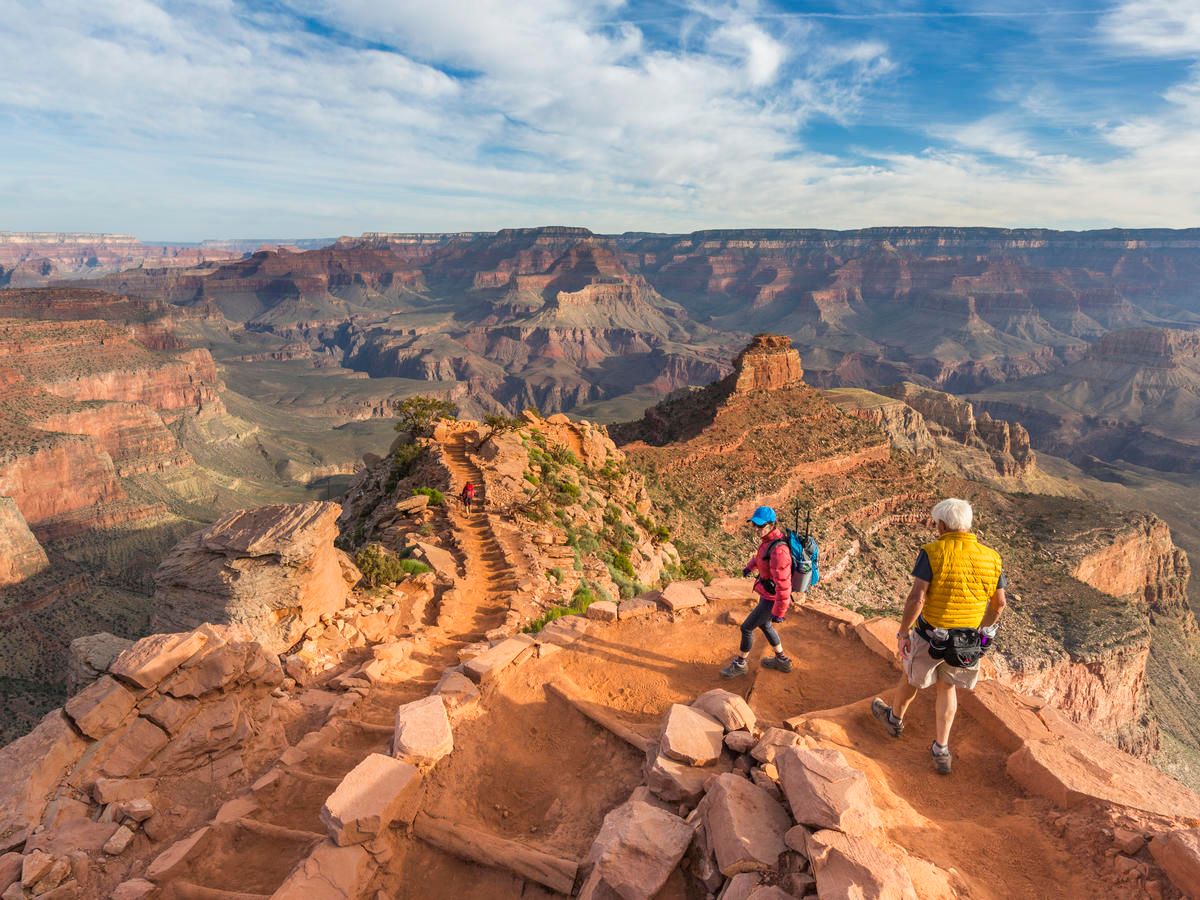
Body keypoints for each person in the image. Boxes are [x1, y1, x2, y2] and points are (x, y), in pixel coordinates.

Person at [871, 498, 1007, 775]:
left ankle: (894, 719)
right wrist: (981, 632)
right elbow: (999, 604)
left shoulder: (932, 551)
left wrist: (903, 632)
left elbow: (917, 597)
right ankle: (941, 749)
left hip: (932, 635)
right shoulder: (992, 558)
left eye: (936, 524)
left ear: (942, 525)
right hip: (967, 641)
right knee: (948, 688)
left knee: (911, 677)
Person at [721, 505, 794, 678]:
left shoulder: (779, 550)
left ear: (772, 524)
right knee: (764, 624)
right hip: (767, 594)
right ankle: (782, 660)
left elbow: (784, 585)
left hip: (772, 599)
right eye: (754, 525)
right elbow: (760, 557)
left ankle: (740, 664)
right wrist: (750, 567)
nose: (756, 529)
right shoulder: (769, 542)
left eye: (760, 525)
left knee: (746, 628)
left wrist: (779, 612)